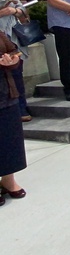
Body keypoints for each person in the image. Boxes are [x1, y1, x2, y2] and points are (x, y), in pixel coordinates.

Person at [0, 31, 27, 206]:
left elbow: (14, 51)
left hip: (5, 93)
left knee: (10, 139)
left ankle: (8, 180)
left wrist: (13, 60)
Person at [0, 0, 31, 122]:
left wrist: (14, 11)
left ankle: (21, 108)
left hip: (12, 37)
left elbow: (22, 9)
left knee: (17, 74)